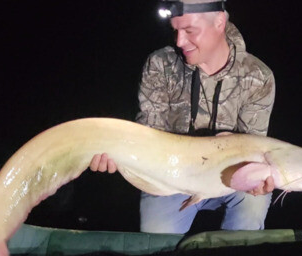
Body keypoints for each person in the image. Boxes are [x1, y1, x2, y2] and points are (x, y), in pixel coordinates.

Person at [90, 0, 275, 234]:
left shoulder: (258, 77)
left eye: (189, 31)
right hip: (170, 179)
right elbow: (148, 135)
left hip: (228, 178)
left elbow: (252, 147)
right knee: (158, 242)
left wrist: (257, 180)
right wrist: (121, 156)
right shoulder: (160, 64)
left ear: (219, 22)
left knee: (254, 202)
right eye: (176, 30)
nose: (179, 41)